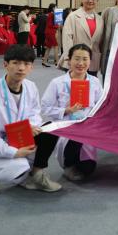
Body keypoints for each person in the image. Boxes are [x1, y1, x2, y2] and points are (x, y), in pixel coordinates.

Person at [0, 45, 62, 196]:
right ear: (5, 64)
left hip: (18, 135)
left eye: (26, 64)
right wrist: (14, 152)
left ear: (31, 67)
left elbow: (35, 113)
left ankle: (35, 175)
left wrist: (30, 126)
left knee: (50, 131)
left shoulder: (31, 87)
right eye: (16, 63)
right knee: (19, 167)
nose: (21, 68)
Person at [41, 44, 103, 181]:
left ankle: (80, 160)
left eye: (85, 59)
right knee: (73, 141)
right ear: (69, 60)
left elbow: (101, 106)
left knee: (88, 168)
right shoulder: (57, 83)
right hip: (67, 127)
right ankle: (68, 165)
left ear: (90, 61)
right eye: (77, 59)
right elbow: (45, 107)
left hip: (87, 128)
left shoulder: (95, 82)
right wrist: (65, 110)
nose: (81, 63)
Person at [58, 0, 104, 76]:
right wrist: (69, 58)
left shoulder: (100, 19)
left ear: (97, 1)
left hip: (93, 61)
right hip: (76, 60)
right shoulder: (73, 16)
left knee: (91, 83)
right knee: (74, 84)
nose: (90, 1)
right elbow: (67, 38)